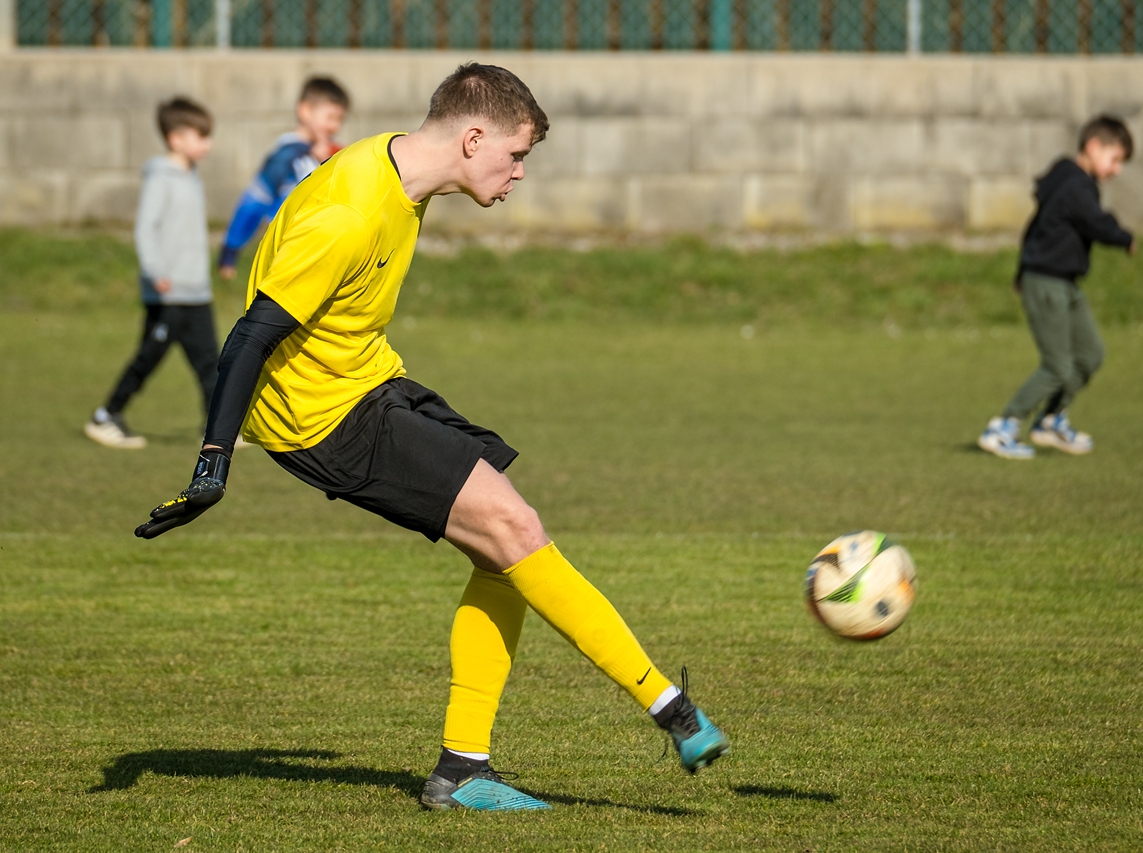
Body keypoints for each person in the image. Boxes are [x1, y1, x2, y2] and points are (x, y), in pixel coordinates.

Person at [134, 63, 729, 812]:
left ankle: (461, 768)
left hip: (370, 382)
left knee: (505, 548)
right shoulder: (350, 210)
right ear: (473, 138)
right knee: (517, 529)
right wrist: (213, 461)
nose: (519, 174)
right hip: (323, 417)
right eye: (515, 155)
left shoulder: (399, 174)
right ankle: (674, 713)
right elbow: (250, 336)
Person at [978, 115, 1137, 460]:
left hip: (1065, 282)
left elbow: (1035, 226)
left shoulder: (1066, 178)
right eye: (1115, 159)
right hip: (1046, 281)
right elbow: (1096, 223)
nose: (1117, 170)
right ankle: (1003, 427)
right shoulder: (1076, 186)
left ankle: (1050, 421)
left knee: (1090, 354)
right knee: (1057, 366)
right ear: (1093, 147)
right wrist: (1125, 238)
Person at [85, 97, 218, 449]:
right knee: (149, 357)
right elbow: (146, 229)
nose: (208, 144)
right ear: (176, 139)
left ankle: (217, 428)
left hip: (196, 292)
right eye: (201, 136)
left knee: (211, 362)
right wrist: (156, 270)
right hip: (168, 293)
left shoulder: (192, 178)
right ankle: (106, 416)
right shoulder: (161, 178)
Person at [217, 76, 349, 280]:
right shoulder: (286, 155)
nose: (335, 127)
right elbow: (254, 201)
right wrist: (230, 251)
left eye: (340, 120)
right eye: (330, 118)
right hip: (285, 246)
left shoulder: (330, 153)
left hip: (315, 246)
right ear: (305, 111)